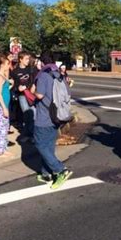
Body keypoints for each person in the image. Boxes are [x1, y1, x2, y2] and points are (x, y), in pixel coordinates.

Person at [34, 52, 73, 190]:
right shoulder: (60, 75)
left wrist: (30, 91)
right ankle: (46, 173)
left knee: (40, 145)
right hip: (58, 116)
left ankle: (60, 170)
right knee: (49, 145)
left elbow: (39, 95)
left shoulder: (43, 76)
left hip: (44, 116)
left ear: (42, 62)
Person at [11, 52, 35, 142]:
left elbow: (32, 82)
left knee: (32, 114)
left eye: (28, 59)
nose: (28, 61)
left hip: (30, 95)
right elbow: (13, 85)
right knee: (26, 114)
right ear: (20, 59)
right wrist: (18, 88)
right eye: (26, 59)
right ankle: (27, 134)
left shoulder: (30, 70)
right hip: (21, 96)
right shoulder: (15, 71)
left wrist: (28, 87)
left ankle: (31, 134)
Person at [0, 55, 13, 157]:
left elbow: (4, 91)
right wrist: (4, 108)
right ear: (2, 65)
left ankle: (3, 148)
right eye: (7, 64)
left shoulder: (3, 76)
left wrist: (10, 85)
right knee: (1, 128)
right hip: (1, 106)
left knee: (4, 128)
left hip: (4, 105)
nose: (8, 66)